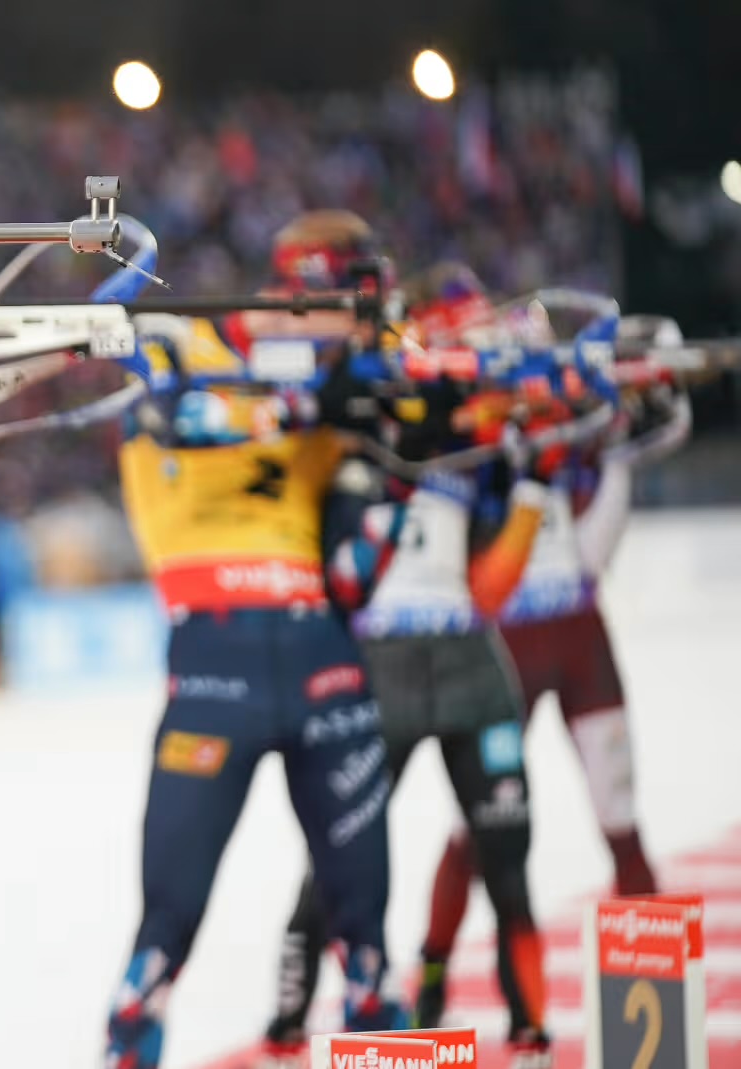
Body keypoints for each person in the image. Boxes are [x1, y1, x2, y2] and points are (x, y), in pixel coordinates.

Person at [104, 211, 402, 1069]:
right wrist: (311, 403)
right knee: (163, 933)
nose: (362, 333)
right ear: (304, 294)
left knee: (369, 945)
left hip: (324, 664)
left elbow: (353, 576)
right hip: (214, 666)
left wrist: (386, 464)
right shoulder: (172, 337)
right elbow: (173, 416)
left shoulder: (348, 382)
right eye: (355, 309)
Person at [259, 263, 554, 1069]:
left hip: (463, 658)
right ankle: (286, 1020)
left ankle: (530, 1030)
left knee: (508, 855)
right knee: (341, 858)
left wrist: (528, 463)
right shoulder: (347, 407)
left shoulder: (473, 430)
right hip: (376, 664)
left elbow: (493, 582)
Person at [415, 312, 692, 1022]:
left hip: (574, 638)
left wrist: (655, 382)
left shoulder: (576, 405)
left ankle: (654, 1033)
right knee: (477, 829)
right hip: (508, 643)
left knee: (621, 824)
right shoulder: (467, 418)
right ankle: (431, 983)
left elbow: (661, 430)